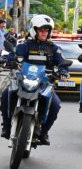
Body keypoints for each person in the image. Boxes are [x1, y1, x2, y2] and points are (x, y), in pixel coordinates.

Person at [0, 15, 68, 145]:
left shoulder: (54, 48)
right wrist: (6, 60)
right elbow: (13, 55)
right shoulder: (24, 44)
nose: (44, 32)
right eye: (41, 30)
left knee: (55, 105)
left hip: (44, 83)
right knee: (4, 95)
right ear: (34, 30)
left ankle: (43, 133)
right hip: (22, 79)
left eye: (46, 30)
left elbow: (62, 63)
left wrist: (63, 71)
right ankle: (7, 127)